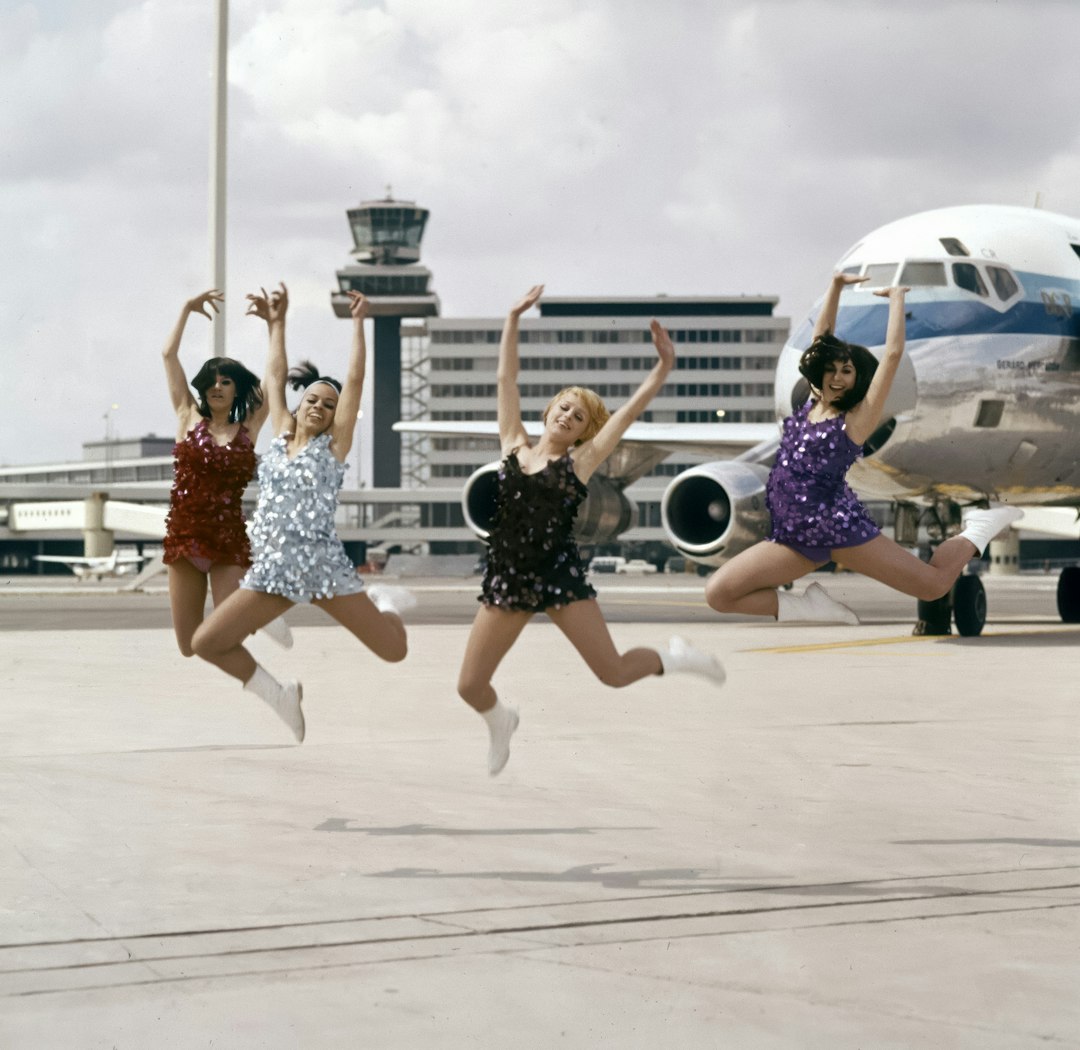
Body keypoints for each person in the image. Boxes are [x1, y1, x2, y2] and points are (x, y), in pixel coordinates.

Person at [457, 285, 726, 776]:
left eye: (579, 416)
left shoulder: (579, 463)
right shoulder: (513, 445)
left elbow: (627, 415)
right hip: (508, 579)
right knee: (470, 686)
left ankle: (675, 659)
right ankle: (501, 720)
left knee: (614, 673)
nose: (568, 416)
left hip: (559, 578)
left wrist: (663, 367)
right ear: (548, 411)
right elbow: (506, 379)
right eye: (564, 407)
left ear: (584, 432)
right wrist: (513, 317)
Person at [704, 273, 1023, 623]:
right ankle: (809, 607)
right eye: (832, 369)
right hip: (793, 533)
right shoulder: (811, 403)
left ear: (858, 380)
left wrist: (897, 299)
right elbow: (821, 337)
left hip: (837, 529)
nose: (837, 377)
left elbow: (893, 355)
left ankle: (978, 528)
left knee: (932, 586)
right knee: (719, 593)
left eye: (847, 371)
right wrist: (836, 287)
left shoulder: (855, 421)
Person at [191, 284, 412, 741]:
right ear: (299, 404)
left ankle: (386, 603)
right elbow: (274, 377)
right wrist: (277, 323)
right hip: (274, 573)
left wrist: (359, 323)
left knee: (394, 651)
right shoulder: (277, 436)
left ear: (335, 416)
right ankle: (279, 694)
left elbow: (355, 381)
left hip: (323, 569)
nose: (320, 407)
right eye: (313, 399)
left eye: (329, 405)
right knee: (206, 642)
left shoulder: (334, 448)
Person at [161, 289, 292, 657]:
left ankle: (257, 613)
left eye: (226, 381)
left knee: (225, 636)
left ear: (237, 390)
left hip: (227, 541)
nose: (217, 386)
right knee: (189, 646)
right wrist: (185, 308)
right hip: (185, 540)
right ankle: (256, 612)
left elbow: (275, 377)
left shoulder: (248, 428)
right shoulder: (187, 416)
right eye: (212, 381)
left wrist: (275, 327)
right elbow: (168, 355)